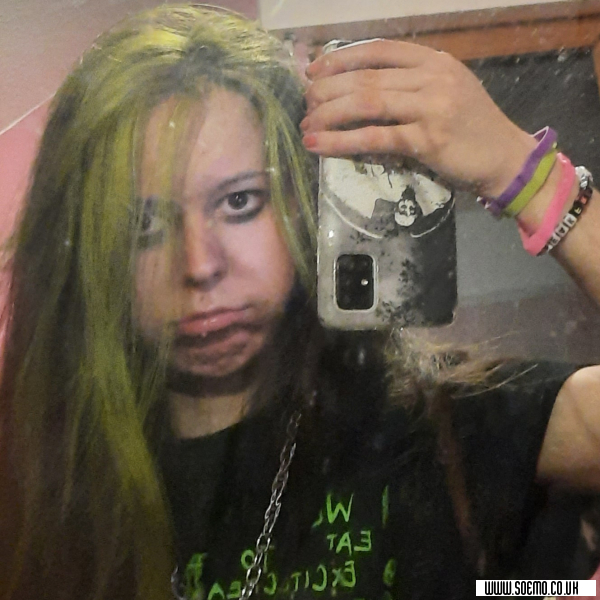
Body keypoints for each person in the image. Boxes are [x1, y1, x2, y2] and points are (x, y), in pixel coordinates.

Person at [1, 4, 600, 600]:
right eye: (144, 224)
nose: (199, 267)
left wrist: (527, 175)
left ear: (303, 204)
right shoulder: (31, 481)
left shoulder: (431, 430)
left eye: (239, 202)